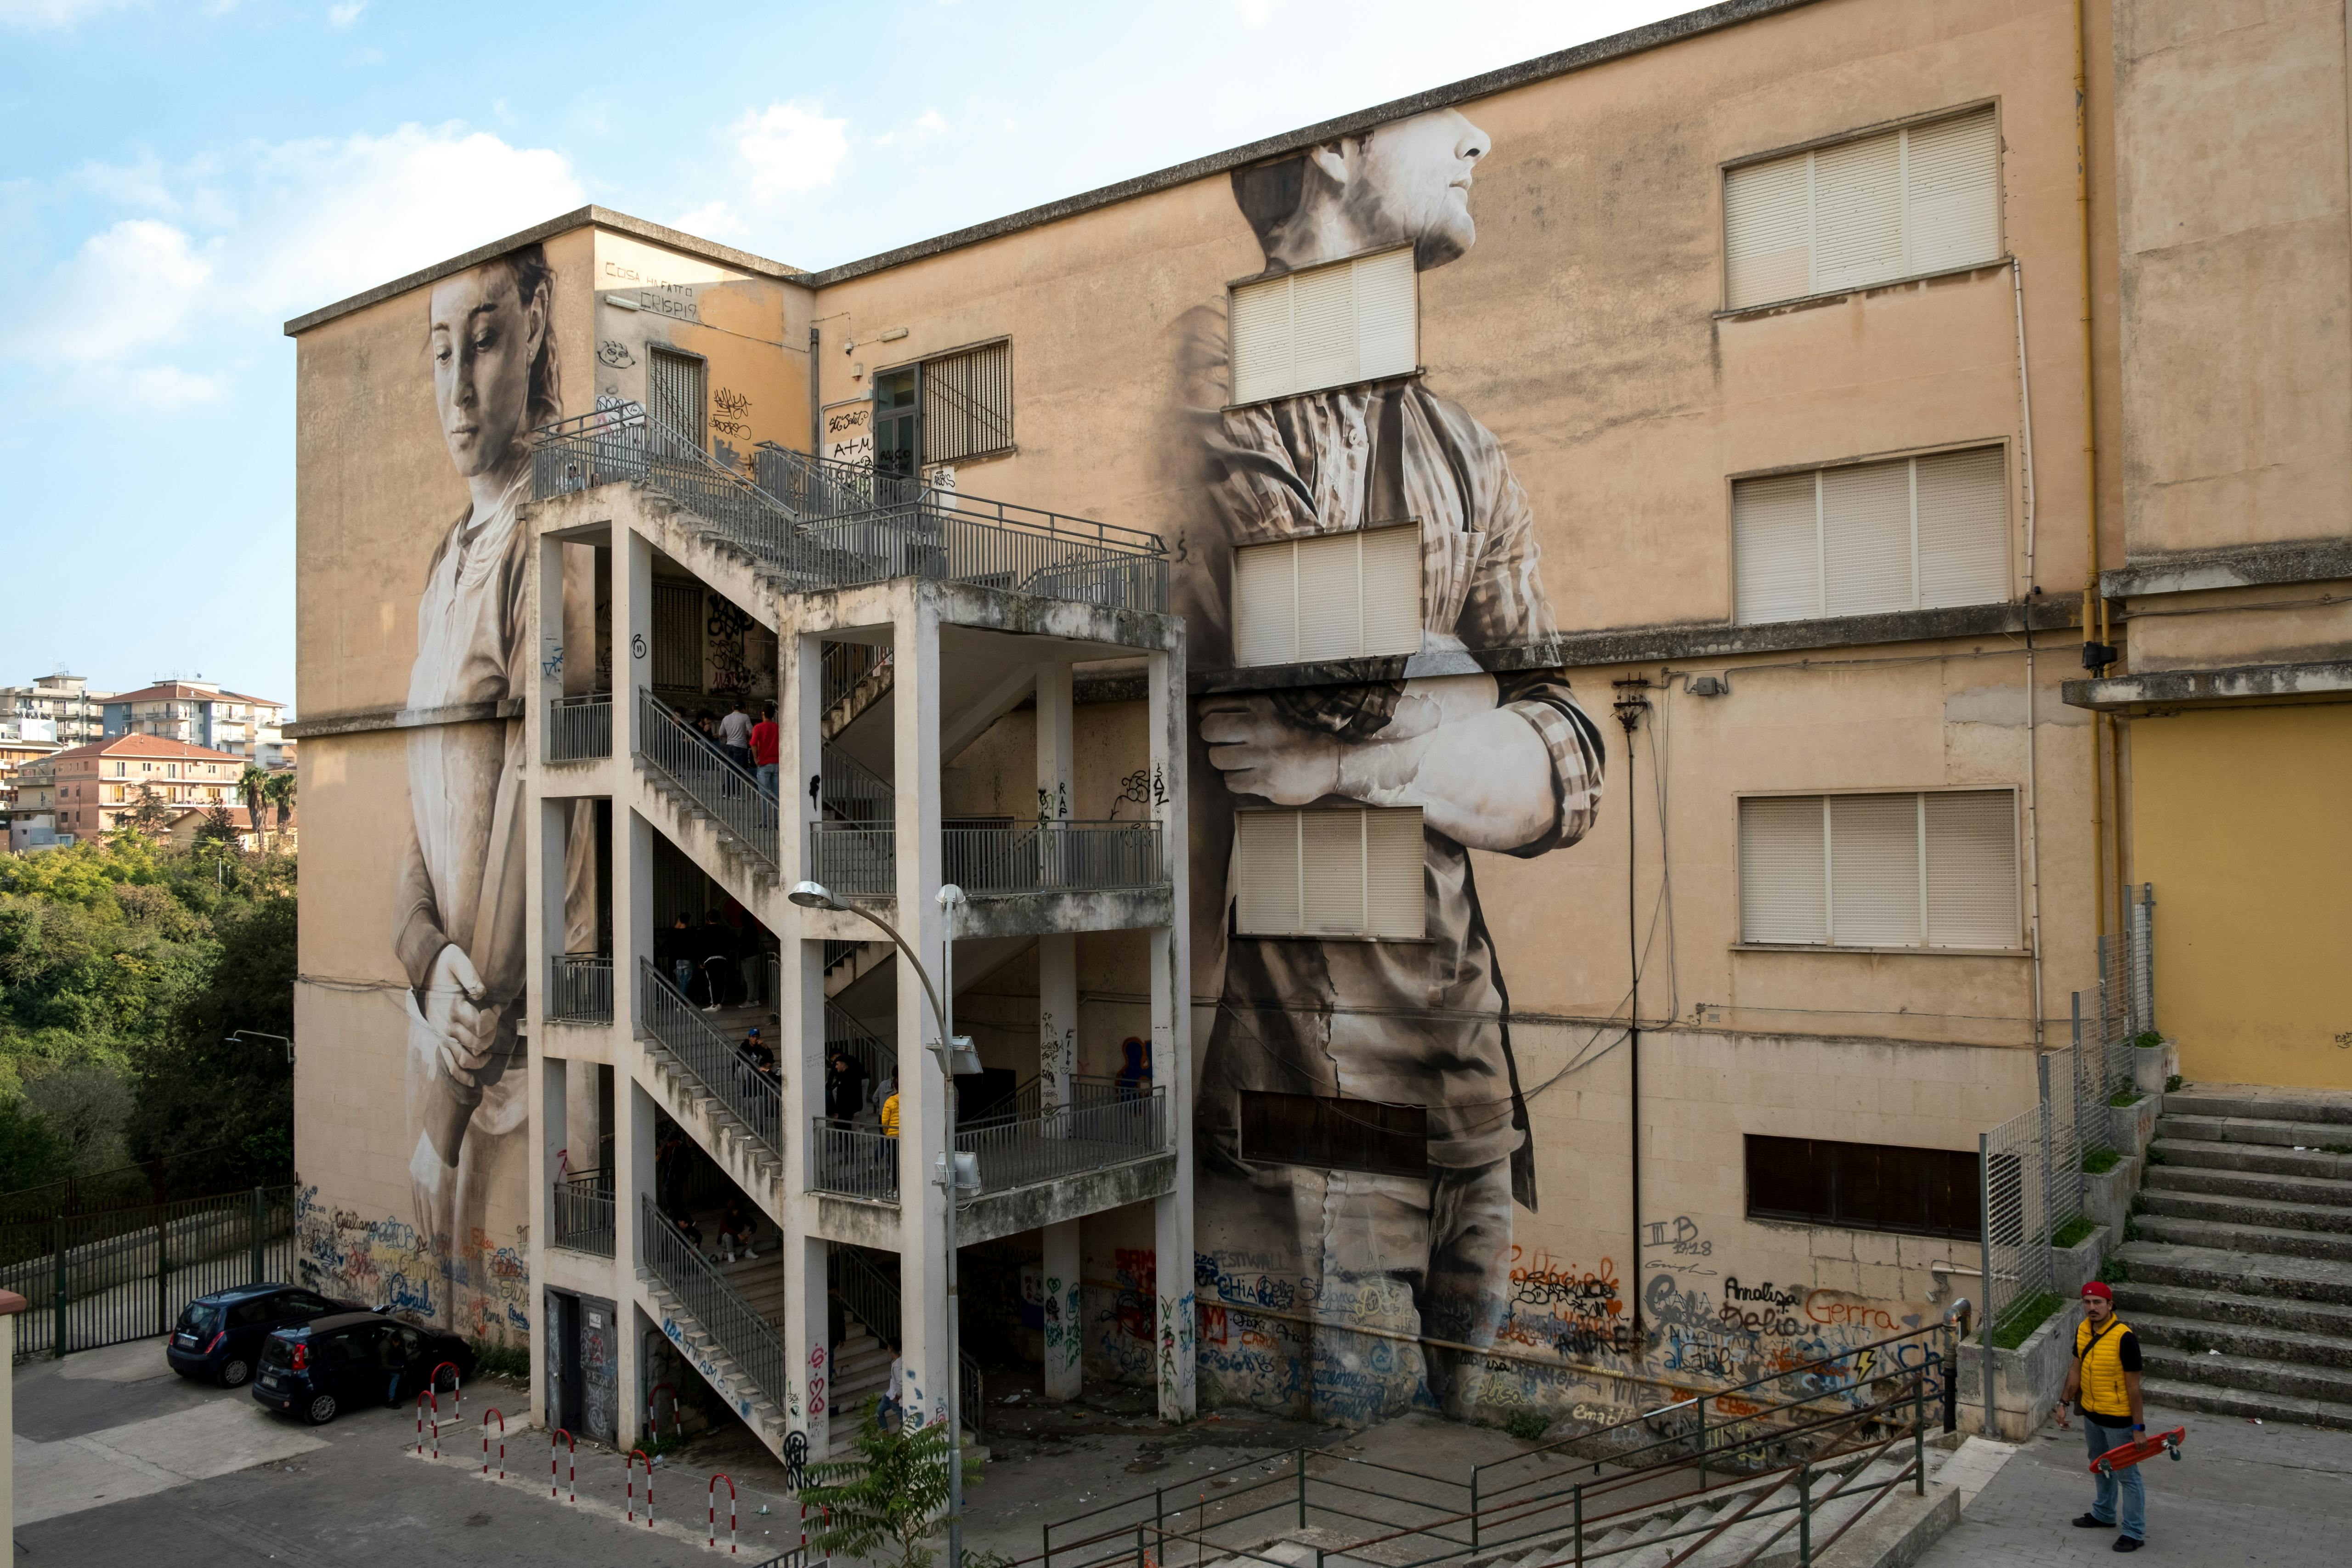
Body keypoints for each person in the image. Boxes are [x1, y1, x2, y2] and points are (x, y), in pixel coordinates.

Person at [1181, 107, 1605, 1420]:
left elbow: (1568, 760)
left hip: (1465, 1064)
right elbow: (1346, 676)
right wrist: (1459, 707)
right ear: (1332, 148)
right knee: (1352, 1433)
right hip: (1308, 1083)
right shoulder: (1220, 378)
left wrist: (1336, 771)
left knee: (1465, 1402)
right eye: (1442, 118)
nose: (1483, 135)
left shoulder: (1470, 451)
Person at [395, 243, 564, 1327]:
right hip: (448, 1014)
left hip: (515, 1054)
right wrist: (426, 954)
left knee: (508, 1298)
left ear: (539, 322)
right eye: (441, 352)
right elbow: (415, 788)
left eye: (487, 342)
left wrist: (449, 1093)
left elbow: (527, 808)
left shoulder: (546, 538)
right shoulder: (438, 561)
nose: (460, 389)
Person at [2058, 1281, 2148, 1552]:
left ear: (2110, 1305)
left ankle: (2134, 1532)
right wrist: (2063, 1402)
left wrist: (2139, 1427)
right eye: (2087, 1303)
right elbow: (2075, 1370)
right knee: (2100, 1465)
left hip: (2119, 1420)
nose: (2092, 1308)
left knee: (2128, 1476)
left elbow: (2134, 1388)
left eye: (2098, 1303)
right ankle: (2104, 1514)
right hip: (2092, 1415)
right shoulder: (2083, 1330)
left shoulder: (2125, 1338)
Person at [825, 1048, 870, 1131]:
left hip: (857, 1081)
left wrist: (829, 1086)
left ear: (836, 1056)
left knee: (840, 1094)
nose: (834, 1063)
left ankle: (839, 1114)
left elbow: (833, 1074)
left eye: (833, 1060)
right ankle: (862, 1126)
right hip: (865, 1079)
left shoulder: (842, 1060)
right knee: (863, 1101)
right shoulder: (850, 1058)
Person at [718, 697, 756, 776]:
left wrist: (729, 736)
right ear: (743, 709)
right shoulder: (745, 717)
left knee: (730, 769)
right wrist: (746, 735)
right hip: (740, 746)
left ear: (733, 708)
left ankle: (728, 788)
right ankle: (735, 788)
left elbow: (721, 733)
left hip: (729, 746)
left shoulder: (726, 718)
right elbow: (752, 731)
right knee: (738, 771)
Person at [750, 701, 780, 799]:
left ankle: (766, 815)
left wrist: (755, 759)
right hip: (776, 763)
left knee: (764, 794)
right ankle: (777, 815)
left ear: (763, 713)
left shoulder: (758, 728)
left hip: (764, 763)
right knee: (776, 794)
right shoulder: (778, 728)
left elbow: (753, 744)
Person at [717, 1194, 760, 1262]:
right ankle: (730, 1253)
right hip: (727, 1242)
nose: (736, 1212)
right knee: (728, 1235)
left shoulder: (741, 1215)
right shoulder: (725, 1215)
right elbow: (727, 1228)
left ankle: (749, 1251)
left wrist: (748, 1234)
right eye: (734, 1210)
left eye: (737, 1210)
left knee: (751, 1230)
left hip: (739, 1240)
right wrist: (738, 1234)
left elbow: (753, 1224)